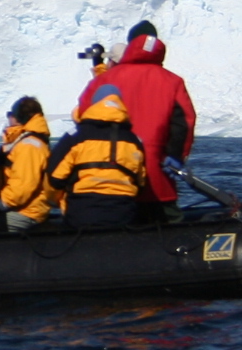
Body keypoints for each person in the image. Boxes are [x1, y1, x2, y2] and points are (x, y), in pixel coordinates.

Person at [76, 21, 195, 220]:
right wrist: (175, 156)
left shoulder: (104, 80)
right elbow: (183, 124)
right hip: (157, 176)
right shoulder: (173, 81)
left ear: (130, 45)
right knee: (169, 227)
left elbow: (84, 117)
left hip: (111, 177)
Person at [50, 84, 146, 228]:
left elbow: (55, 178)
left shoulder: (76, 136)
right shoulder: (134, 140)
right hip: (123, 213)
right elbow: (141, 183)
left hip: (82, 212)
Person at [0, 96, 58, 230]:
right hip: (21, 208)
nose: (9, 118)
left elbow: (22, 187)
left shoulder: (29, 146)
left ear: (18, 118)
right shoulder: (27, 142)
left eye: (10, 114)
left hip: (25, 212)